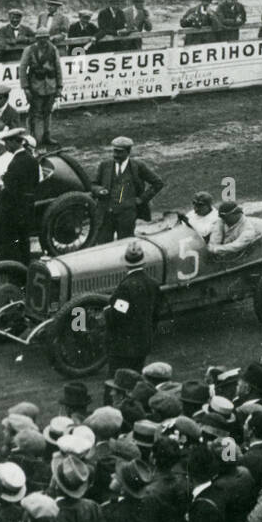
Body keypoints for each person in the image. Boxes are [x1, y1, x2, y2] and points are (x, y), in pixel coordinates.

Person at [95, 136, 163, 243]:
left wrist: (141, 199)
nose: (115, 155)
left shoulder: (138, 166)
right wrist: (99, 190)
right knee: (103, 246)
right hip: (106, 214)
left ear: (128, 152)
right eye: (114, 151)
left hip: (127, 215)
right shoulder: (105, 165)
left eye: (119, 152)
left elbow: (158, 183)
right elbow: (93, 184)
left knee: (125, 244)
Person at [105, 242, 157, 374]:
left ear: (126, 264)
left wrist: (106, 315)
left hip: (124, 346)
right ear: (143, 262)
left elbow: (117, 315)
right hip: (143, 342)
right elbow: (156, 313)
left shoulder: (125, 287)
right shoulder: (152, 284)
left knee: (118, 380)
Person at [0, 129, 39, 264]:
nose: (6, 145)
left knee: (10, 242)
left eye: (8, 142)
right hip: (27, 207)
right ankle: (25, 266)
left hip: (12, 210)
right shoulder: (31, 160)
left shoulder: (15, 163)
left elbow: (10, 190)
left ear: (15, 142)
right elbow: (35, 181)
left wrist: (1, 189)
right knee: (24, 240)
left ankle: (12, 270)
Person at [18, 27, 63, 148]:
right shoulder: (29, 50)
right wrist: (26, 88)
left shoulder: (53, 49)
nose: (43, 40)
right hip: (35, 86)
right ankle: (37, 138)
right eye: (40, 38)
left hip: (51, 85)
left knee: (48, 112)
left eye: (45, 37)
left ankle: (47, 136)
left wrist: (59, 86)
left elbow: (58, 68)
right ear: (36, 38)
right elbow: (22, 69)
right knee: (36, 113)